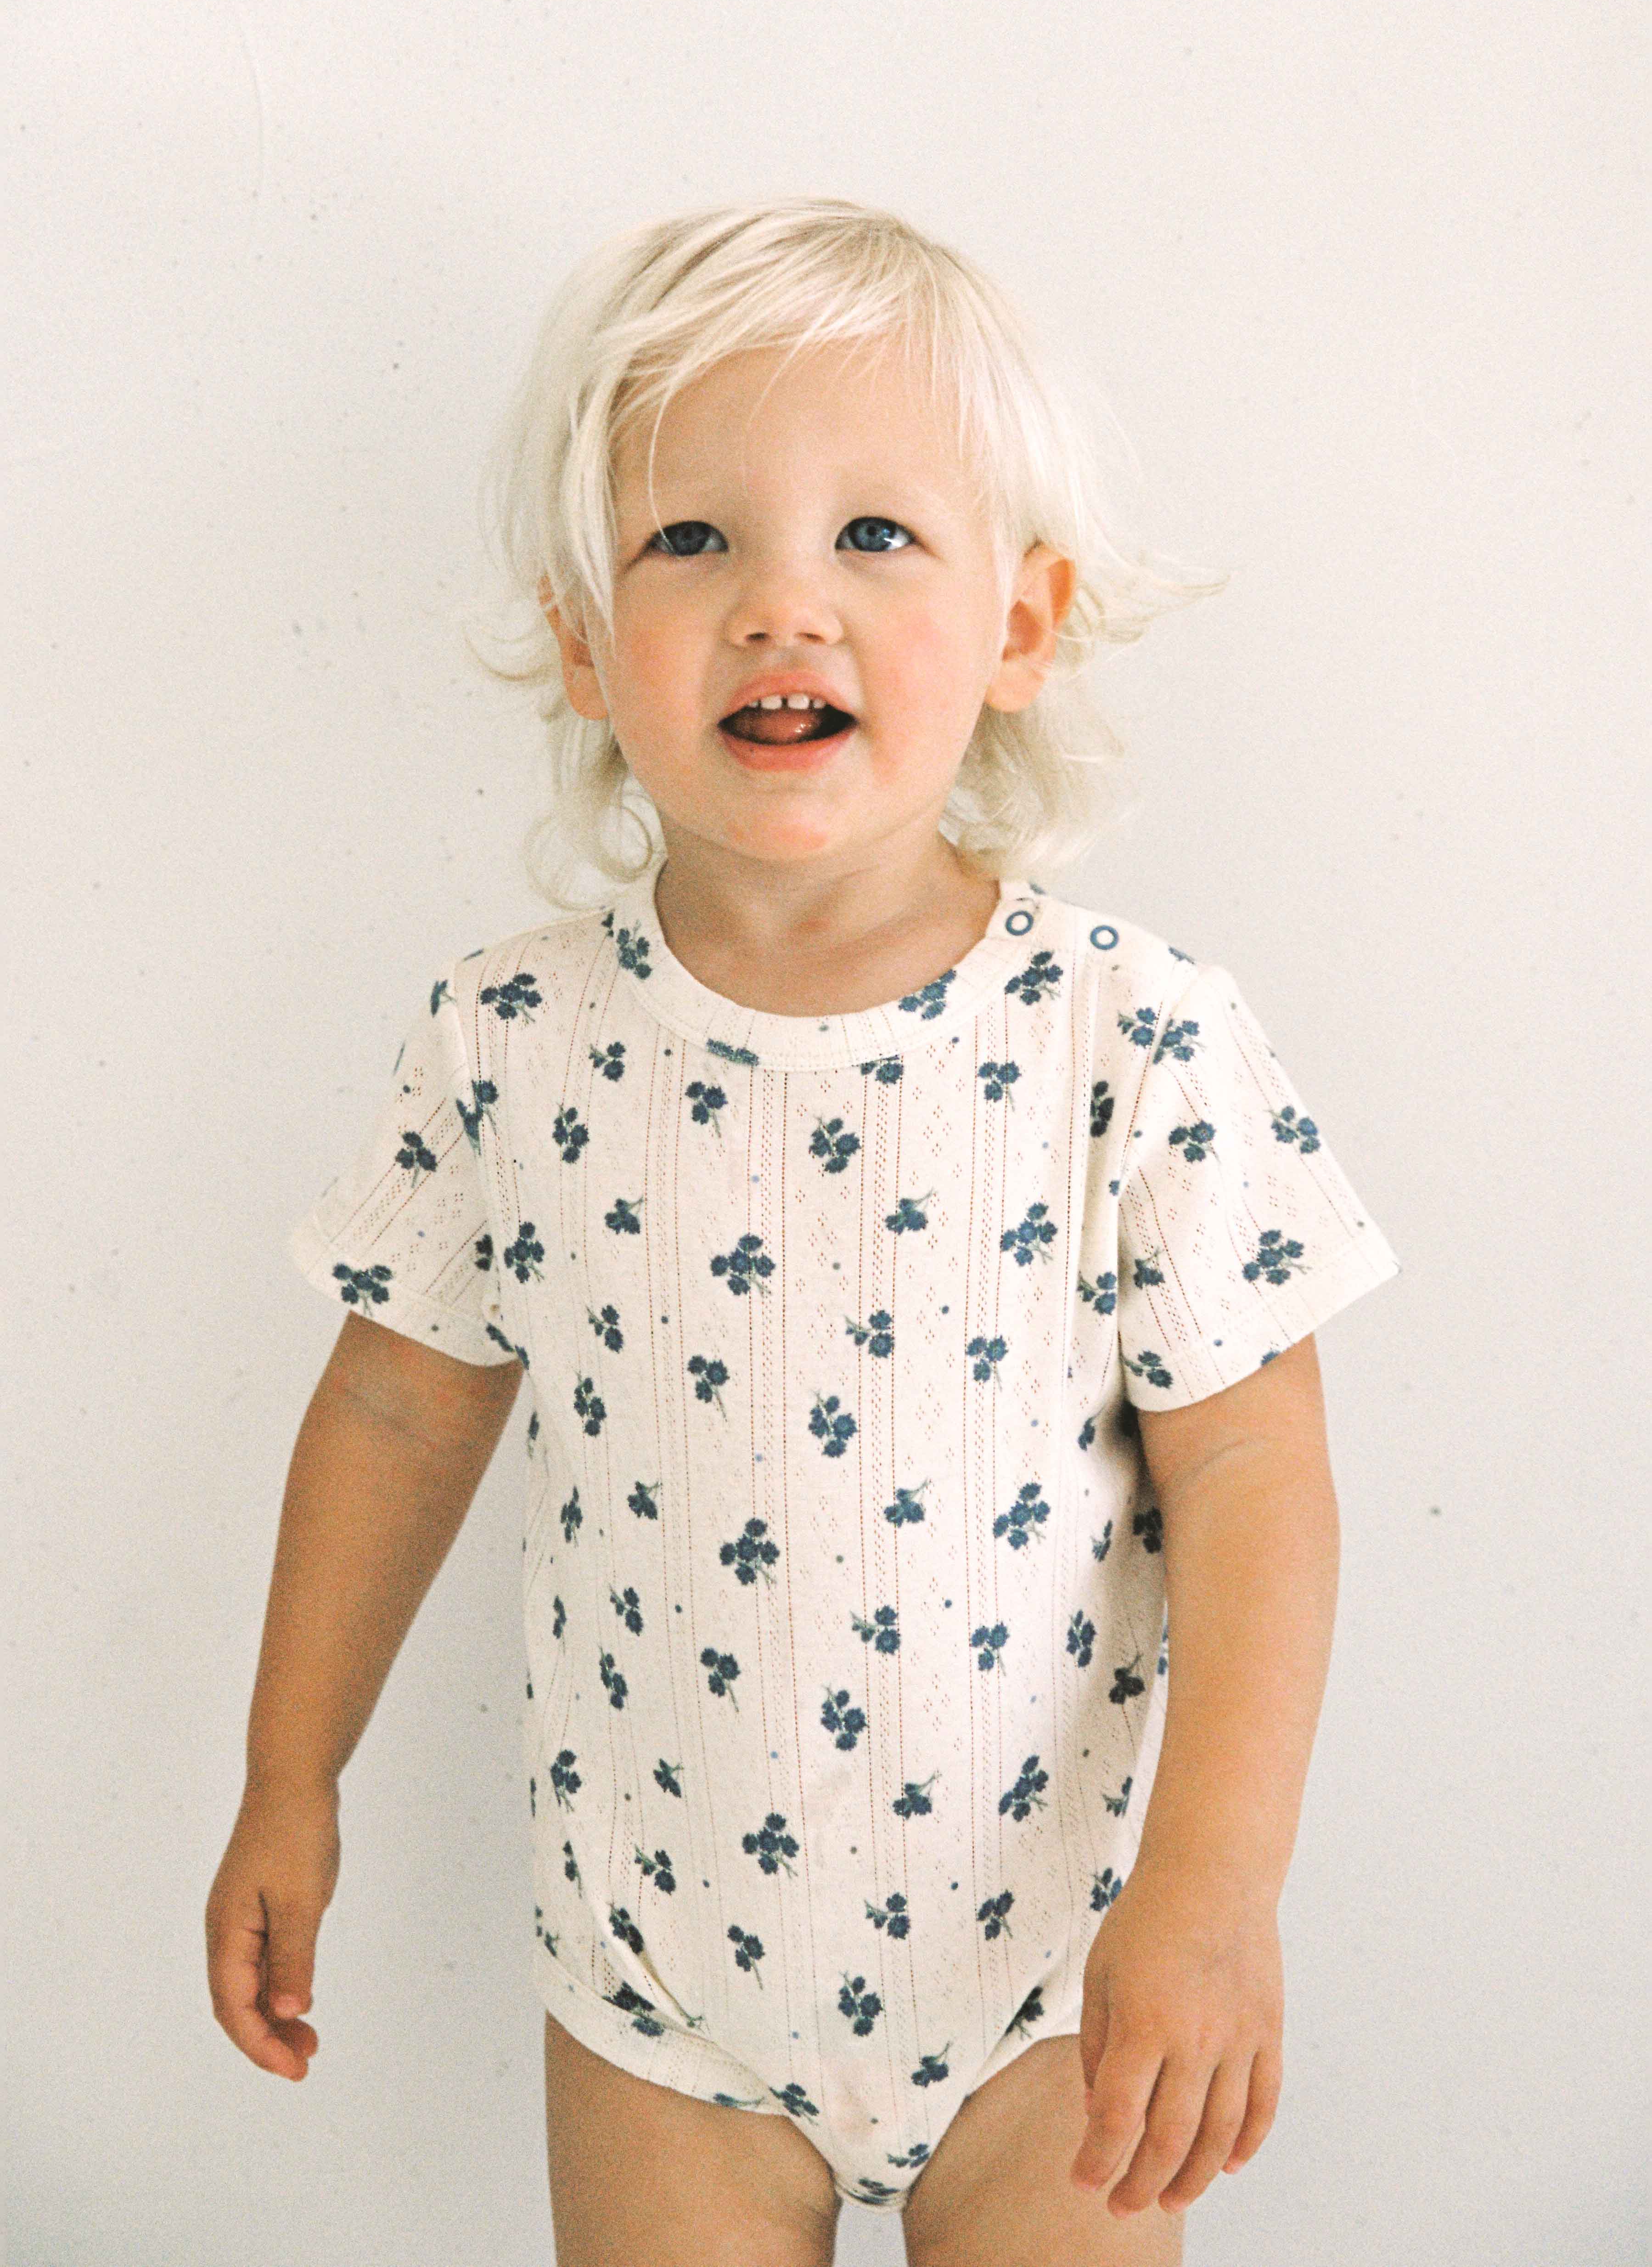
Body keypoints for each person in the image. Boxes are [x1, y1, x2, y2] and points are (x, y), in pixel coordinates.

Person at [206, 199, 1400, 2265]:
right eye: (693, 543)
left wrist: (1214, 1890)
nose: (783, 609)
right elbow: (397, 1426)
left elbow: (1257, 1478)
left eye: (874, 538)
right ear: (586, 645)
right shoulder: (513, 1043)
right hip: (663, 1996)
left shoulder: (1133, 1040)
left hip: (1061, 1991)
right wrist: (286, 1780)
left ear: (1021, 626)